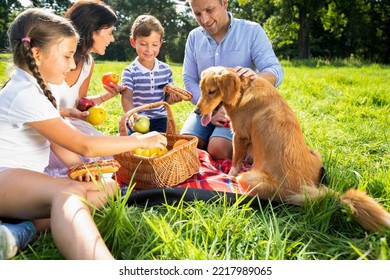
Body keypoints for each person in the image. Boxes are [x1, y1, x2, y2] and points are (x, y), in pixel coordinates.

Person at [0, 8, 167, 260]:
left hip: (22, 181)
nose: (71, 64)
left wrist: (82, 171)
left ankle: (21, 231)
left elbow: (58, 143)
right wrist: (137, 140)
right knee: (68, 192)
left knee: (109, 187)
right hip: (5, 179)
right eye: (67, 56)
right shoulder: (24, 92)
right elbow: (84, 145)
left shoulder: (34, 88)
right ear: (37, 54)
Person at [181, 0, 284, 160]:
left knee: (218, 149)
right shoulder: (194, 37)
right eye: (198, 14)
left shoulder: (251, 31)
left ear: (224, 3)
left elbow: (274, 70)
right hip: (205, 106)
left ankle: (253, 152)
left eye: (209, 10)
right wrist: (211, 109)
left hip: (239, 108)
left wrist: (254, 80)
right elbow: (189, 78)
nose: (205, 20)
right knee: (185, 145)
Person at [45, 0, 125, 177]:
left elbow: (79, 108)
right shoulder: (54, 60)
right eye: (110, 32)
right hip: (47, 134)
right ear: (92, 30)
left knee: (114, 159)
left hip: (68, 128)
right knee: (92, 166)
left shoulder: (88, 63)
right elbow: (37, 111)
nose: (112, 39)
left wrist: (106, 96)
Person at [120, 14, 181, 134]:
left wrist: (173, 98)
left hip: (160, 118)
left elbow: (167, 99)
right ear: (133, 42)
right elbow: (126, 97)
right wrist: (132, 114)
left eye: (154, 45)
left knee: (164, 140)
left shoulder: (166, 70)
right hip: (137, 118)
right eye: (143, 44)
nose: (149, 50)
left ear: (160, 44)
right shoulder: (130, 71)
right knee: (129, 141)